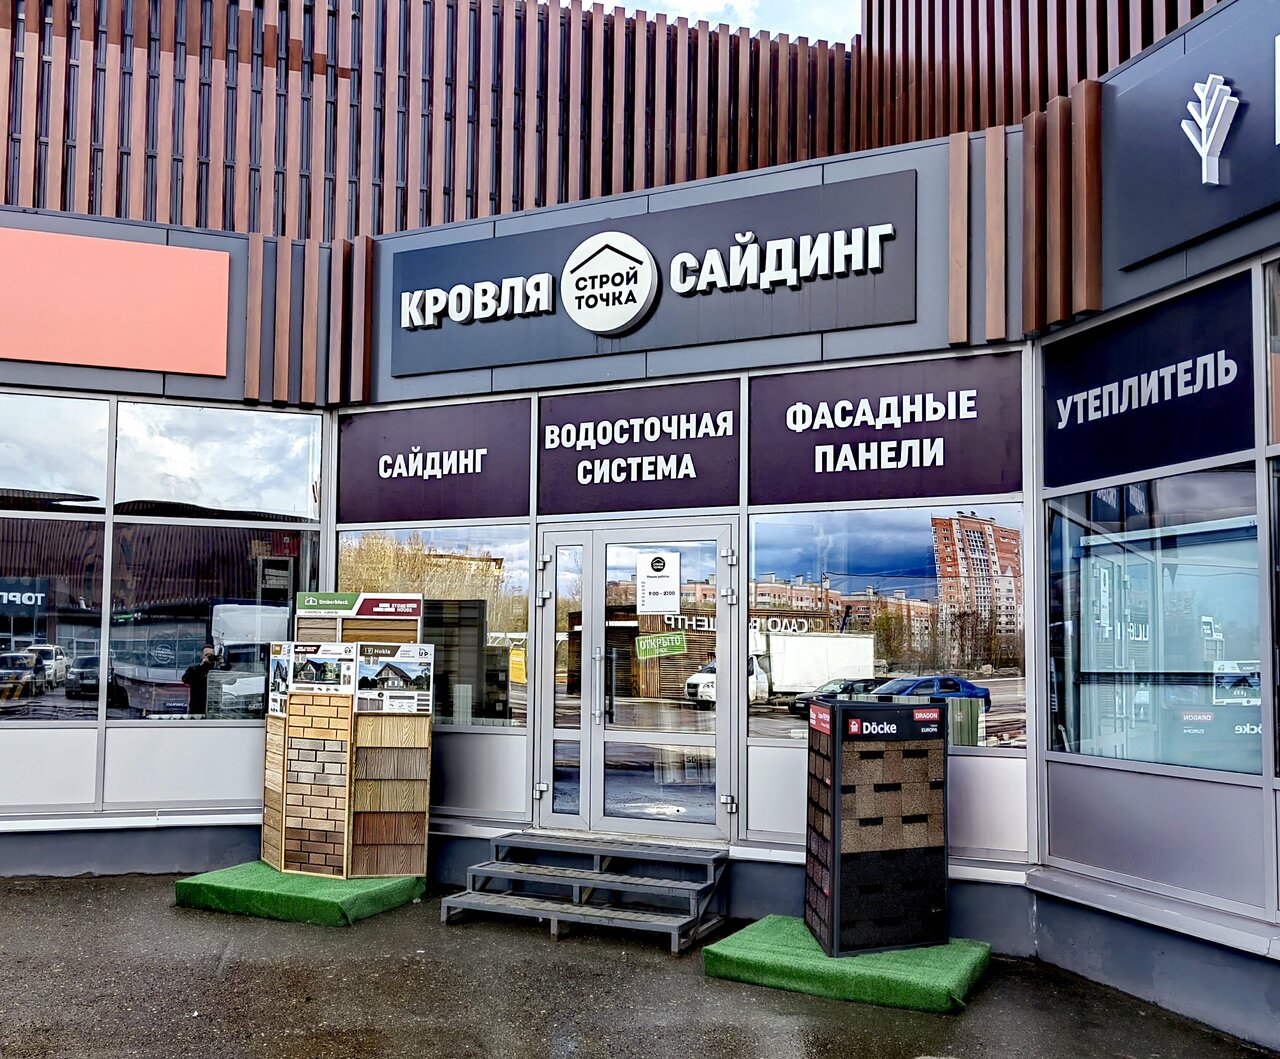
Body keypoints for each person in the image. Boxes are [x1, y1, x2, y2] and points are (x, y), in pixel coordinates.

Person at [182, 646, 218, 715]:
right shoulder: (193, 669)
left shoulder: (216, 671)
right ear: (202, 656)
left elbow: (229, 681)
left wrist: (223, 665)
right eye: (206, 655)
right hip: (197, 710)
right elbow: (185, 679)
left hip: (213, 709)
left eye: (211, 656)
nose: (209, 657)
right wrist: (201, 665)